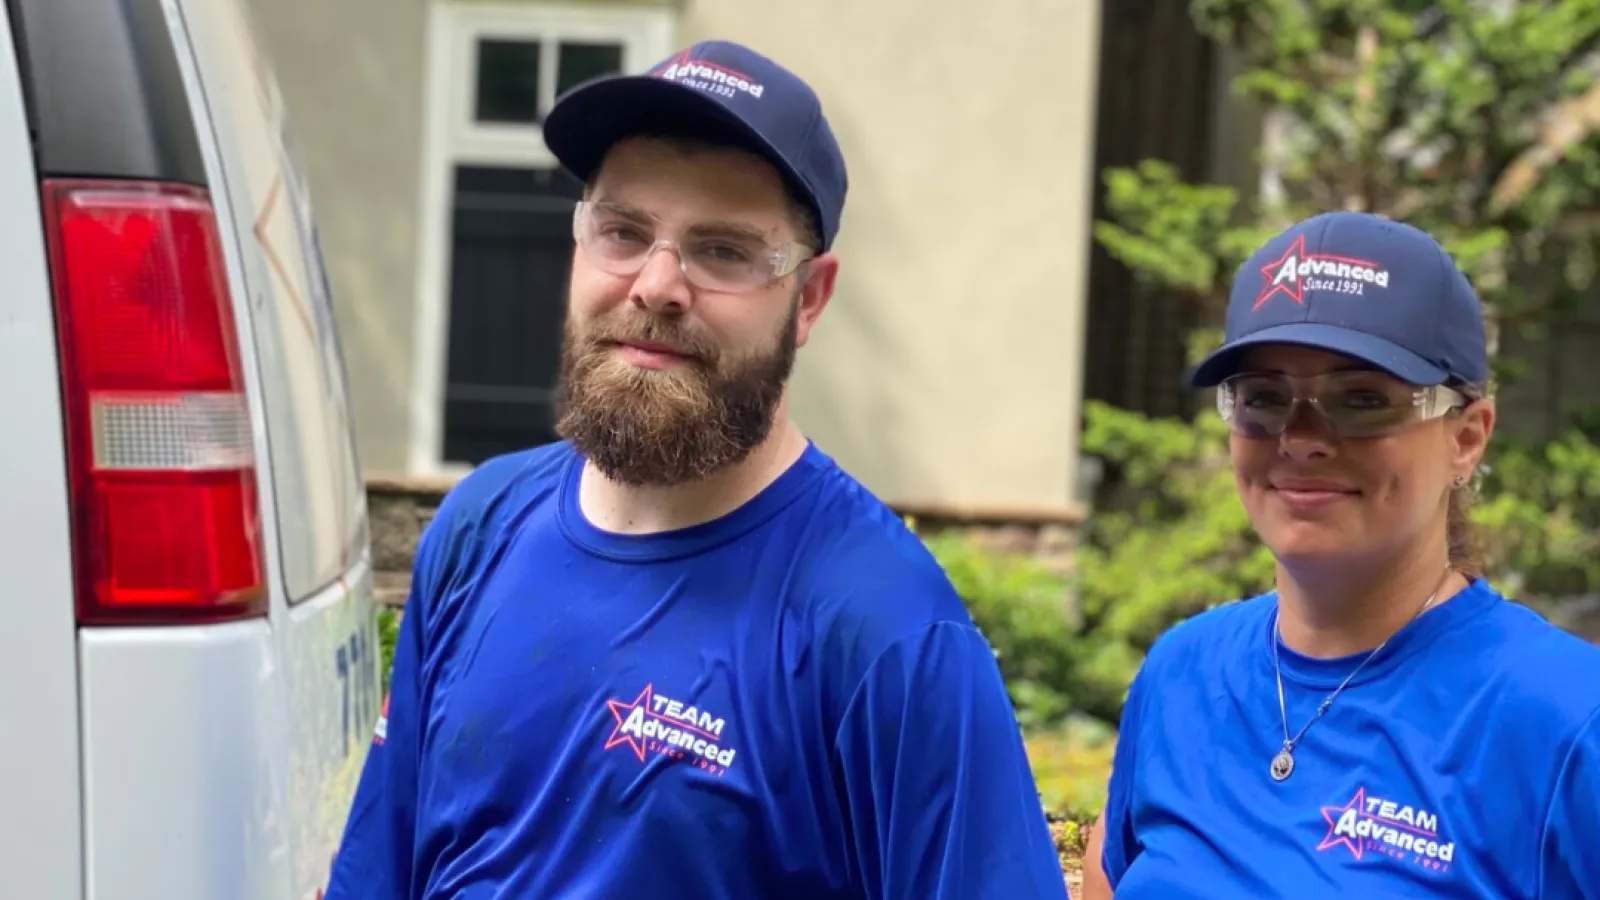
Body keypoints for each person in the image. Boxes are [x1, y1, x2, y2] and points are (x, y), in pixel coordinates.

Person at [324, 39, 1069, 900]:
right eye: (624, 232)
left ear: (810, 300)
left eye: (722, 251)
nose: (657, 284)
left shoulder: (885, 632)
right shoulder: (479, 527)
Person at [1081, 210, 1600, 899]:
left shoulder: (1566, 719)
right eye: (1263, 398)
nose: (1299, 437)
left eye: (1361, 399)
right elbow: (1109, 875)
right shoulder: (1183, 669)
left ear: (1467, 437)